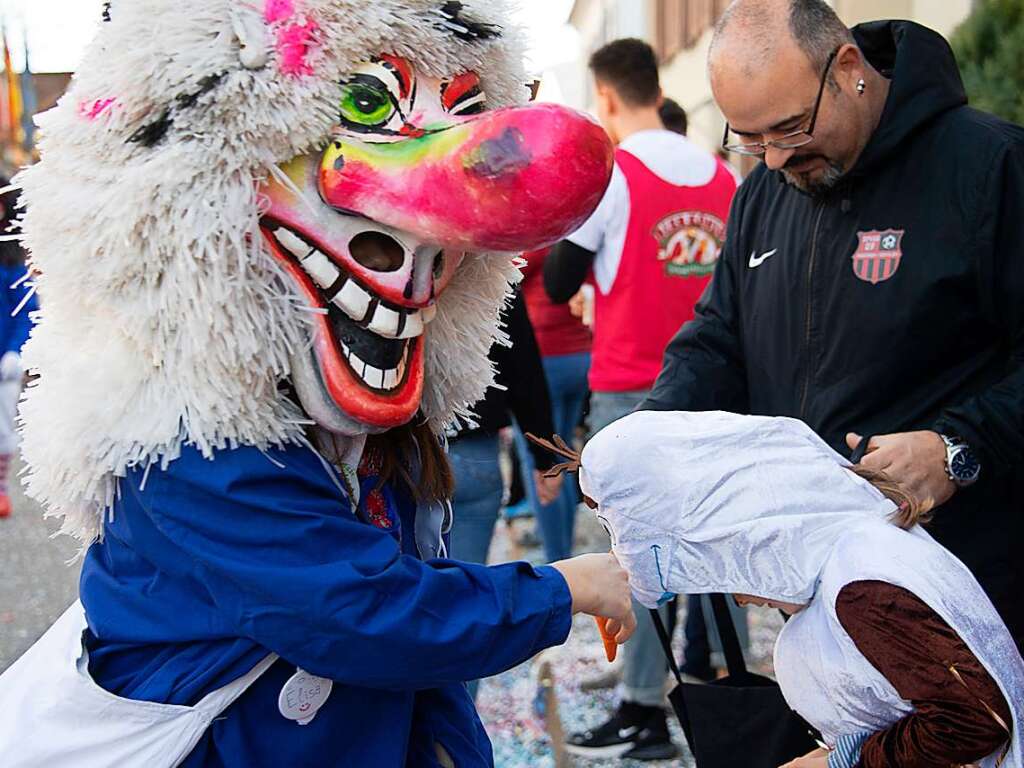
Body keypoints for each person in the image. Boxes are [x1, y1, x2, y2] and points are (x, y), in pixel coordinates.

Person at [0, 2, 636, 766]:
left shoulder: (366, 432)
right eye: (367, 103)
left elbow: (409, 625)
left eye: (464, 109)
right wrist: (567, 587)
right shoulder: (179, 446)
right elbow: (362, 613)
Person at [641, 0, 1024, 651]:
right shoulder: (763, 192)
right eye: (749, 138)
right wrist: (650, 437)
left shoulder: (990, 167)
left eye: (788, 129)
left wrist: (958, 450)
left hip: (973, 592)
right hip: (819, 599)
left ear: (848, 68)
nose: (772, 160)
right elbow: (719, 337)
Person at [579, 410, 1022, 768]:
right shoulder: (858, 545)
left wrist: (840, 762)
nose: (737, 598)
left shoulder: (863, 590)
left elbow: (974, 721)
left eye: (723, 568)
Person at [544, 38, 738, 760]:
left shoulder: (616, 175)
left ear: (605, 98)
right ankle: (720, 690)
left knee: (639, 555)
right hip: (718, 389)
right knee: (715, 545)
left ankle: (642, 710)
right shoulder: (724, 177)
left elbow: (561, 280)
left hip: (634, 384)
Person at [448, 287, 562, 698]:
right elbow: (524, 367)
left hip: (398, 454)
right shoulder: (486, 264)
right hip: (474, 453)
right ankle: (455, 736)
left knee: (397, 603)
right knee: (466, 604)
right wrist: (546, 459)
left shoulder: (382, 257)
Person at [509, 248, 592, 563]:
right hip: (580, 353)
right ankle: (564, 548)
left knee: (541, 460)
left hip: (546, 359)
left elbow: (505, 275)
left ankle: (559, 559)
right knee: (561, 453)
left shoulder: (542, 238)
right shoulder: (578, 233)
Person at [0, 179, 36, 518]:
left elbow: (27, 312)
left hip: (3, 366)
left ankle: (0, 488)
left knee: (2, 430)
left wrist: (14, 351)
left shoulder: (12, 264)